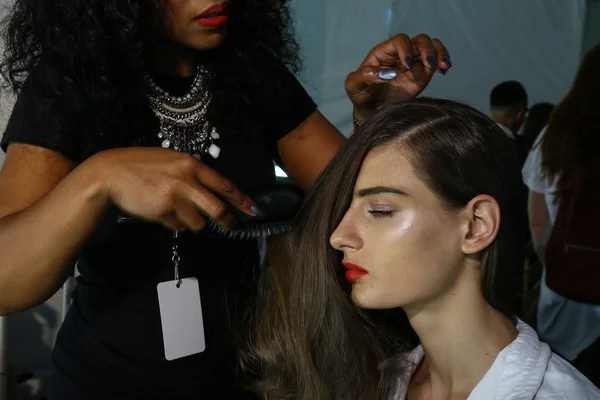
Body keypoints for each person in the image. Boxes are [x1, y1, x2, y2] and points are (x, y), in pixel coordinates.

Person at [0, 0, 452, 398]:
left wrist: (377, 119)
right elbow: (6, 280)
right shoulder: (71, 81)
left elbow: (350, 202)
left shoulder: (251, 71)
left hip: (244, 378)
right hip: (104, 380)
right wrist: (97, 180)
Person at [243, 99, 600, 399]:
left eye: (381, 211)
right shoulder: (382, 380)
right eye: (346, 210)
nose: (339, 236)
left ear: (477, 225)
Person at [523, 43, 600, 387]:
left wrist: (548, 256)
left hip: (564, 283)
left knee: (559, 377)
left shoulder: (556, 132)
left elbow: (538, 212)